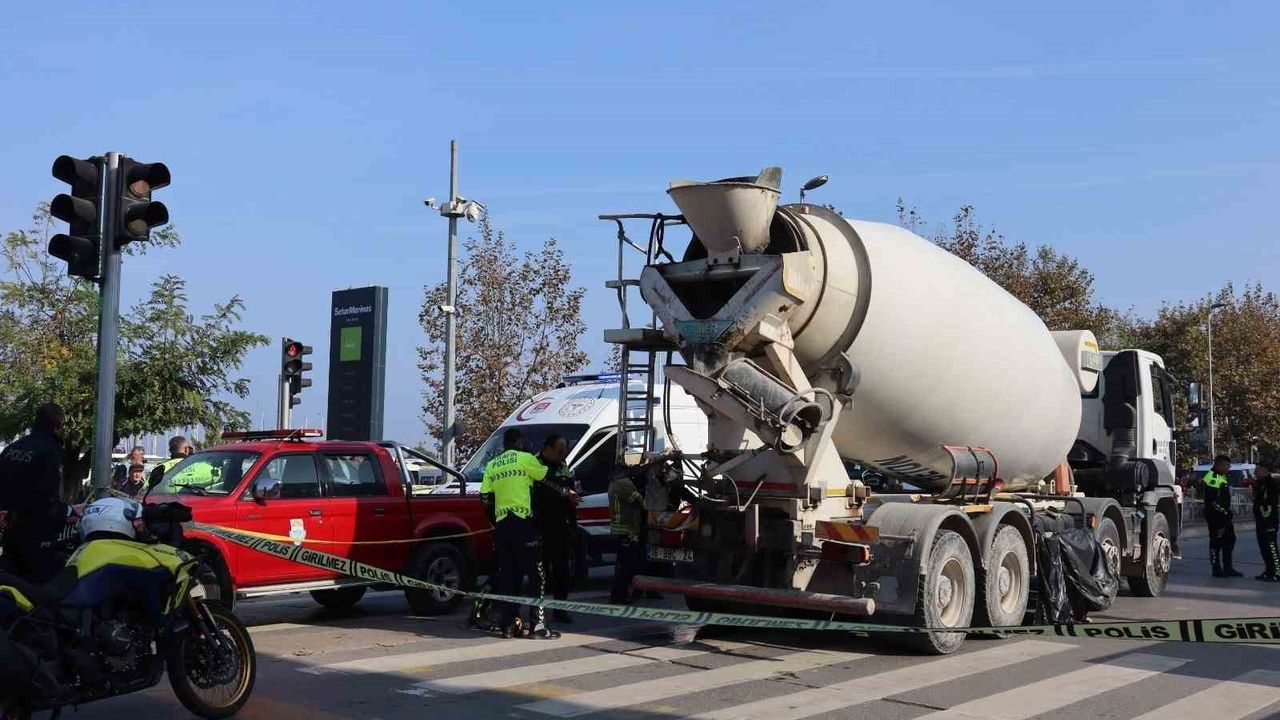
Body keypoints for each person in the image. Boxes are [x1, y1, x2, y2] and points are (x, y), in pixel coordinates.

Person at [480, 428, 560, 639]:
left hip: (502, 527)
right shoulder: (525, 459)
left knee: (508, 576)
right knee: (537, 576)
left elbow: (485, 498)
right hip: (523, 524)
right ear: (519, 442)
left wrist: (496, 521)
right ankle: (537, 626)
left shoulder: (492, 465)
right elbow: (546, 477)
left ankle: (508, 625)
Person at [0, 404, 81, 582]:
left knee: (9, 581)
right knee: (38, 589)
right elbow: (45, 498)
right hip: (37, 534)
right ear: (58, 424)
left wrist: (6, 513)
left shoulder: (12, 449)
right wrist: (68, 511)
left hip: (10, 532)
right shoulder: (51, 452)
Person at [533, 434, 580, 624]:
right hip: (540, 525)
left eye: (565, 450)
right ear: (547, 448)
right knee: (540, 572)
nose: (563, 454)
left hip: (561, 525)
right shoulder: (535, 464)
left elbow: (572, 491)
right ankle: (538, 612)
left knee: (562, 570)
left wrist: (573, 524)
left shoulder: (563, 466)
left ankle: (561, 609)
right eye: (560, 450)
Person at [609, 466, 647, 604]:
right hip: (627, 529)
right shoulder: (625, 483)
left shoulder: (614, 483)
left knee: (623, 565)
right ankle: (620, 595)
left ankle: (621, 593)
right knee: (627, 565)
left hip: (619, 529)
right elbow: (640, 502)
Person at [1203, 455, 1242, 577]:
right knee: (1216, 542)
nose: (1229, 468)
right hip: (1216, 516)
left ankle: (1228, 567)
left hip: (1224, 516)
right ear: (1219, 465)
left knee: (1230, 540)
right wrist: (1224, 512)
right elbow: (1212, 501)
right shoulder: (1213, 478)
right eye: (1227, 465)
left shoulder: (1221, 476)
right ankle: (1216, 569)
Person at [1252, 463, 1279, 582]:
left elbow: (1269, 502)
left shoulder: (1272, 483)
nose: (1255, 473)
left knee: (1271, 547)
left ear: (1264, 470)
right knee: (1264, 547)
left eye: (1257, 470)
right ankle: (1269, 571)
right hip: (1261, 520)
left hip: (1269, 520)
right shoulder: (1260, 484)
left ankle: (1277, 572)